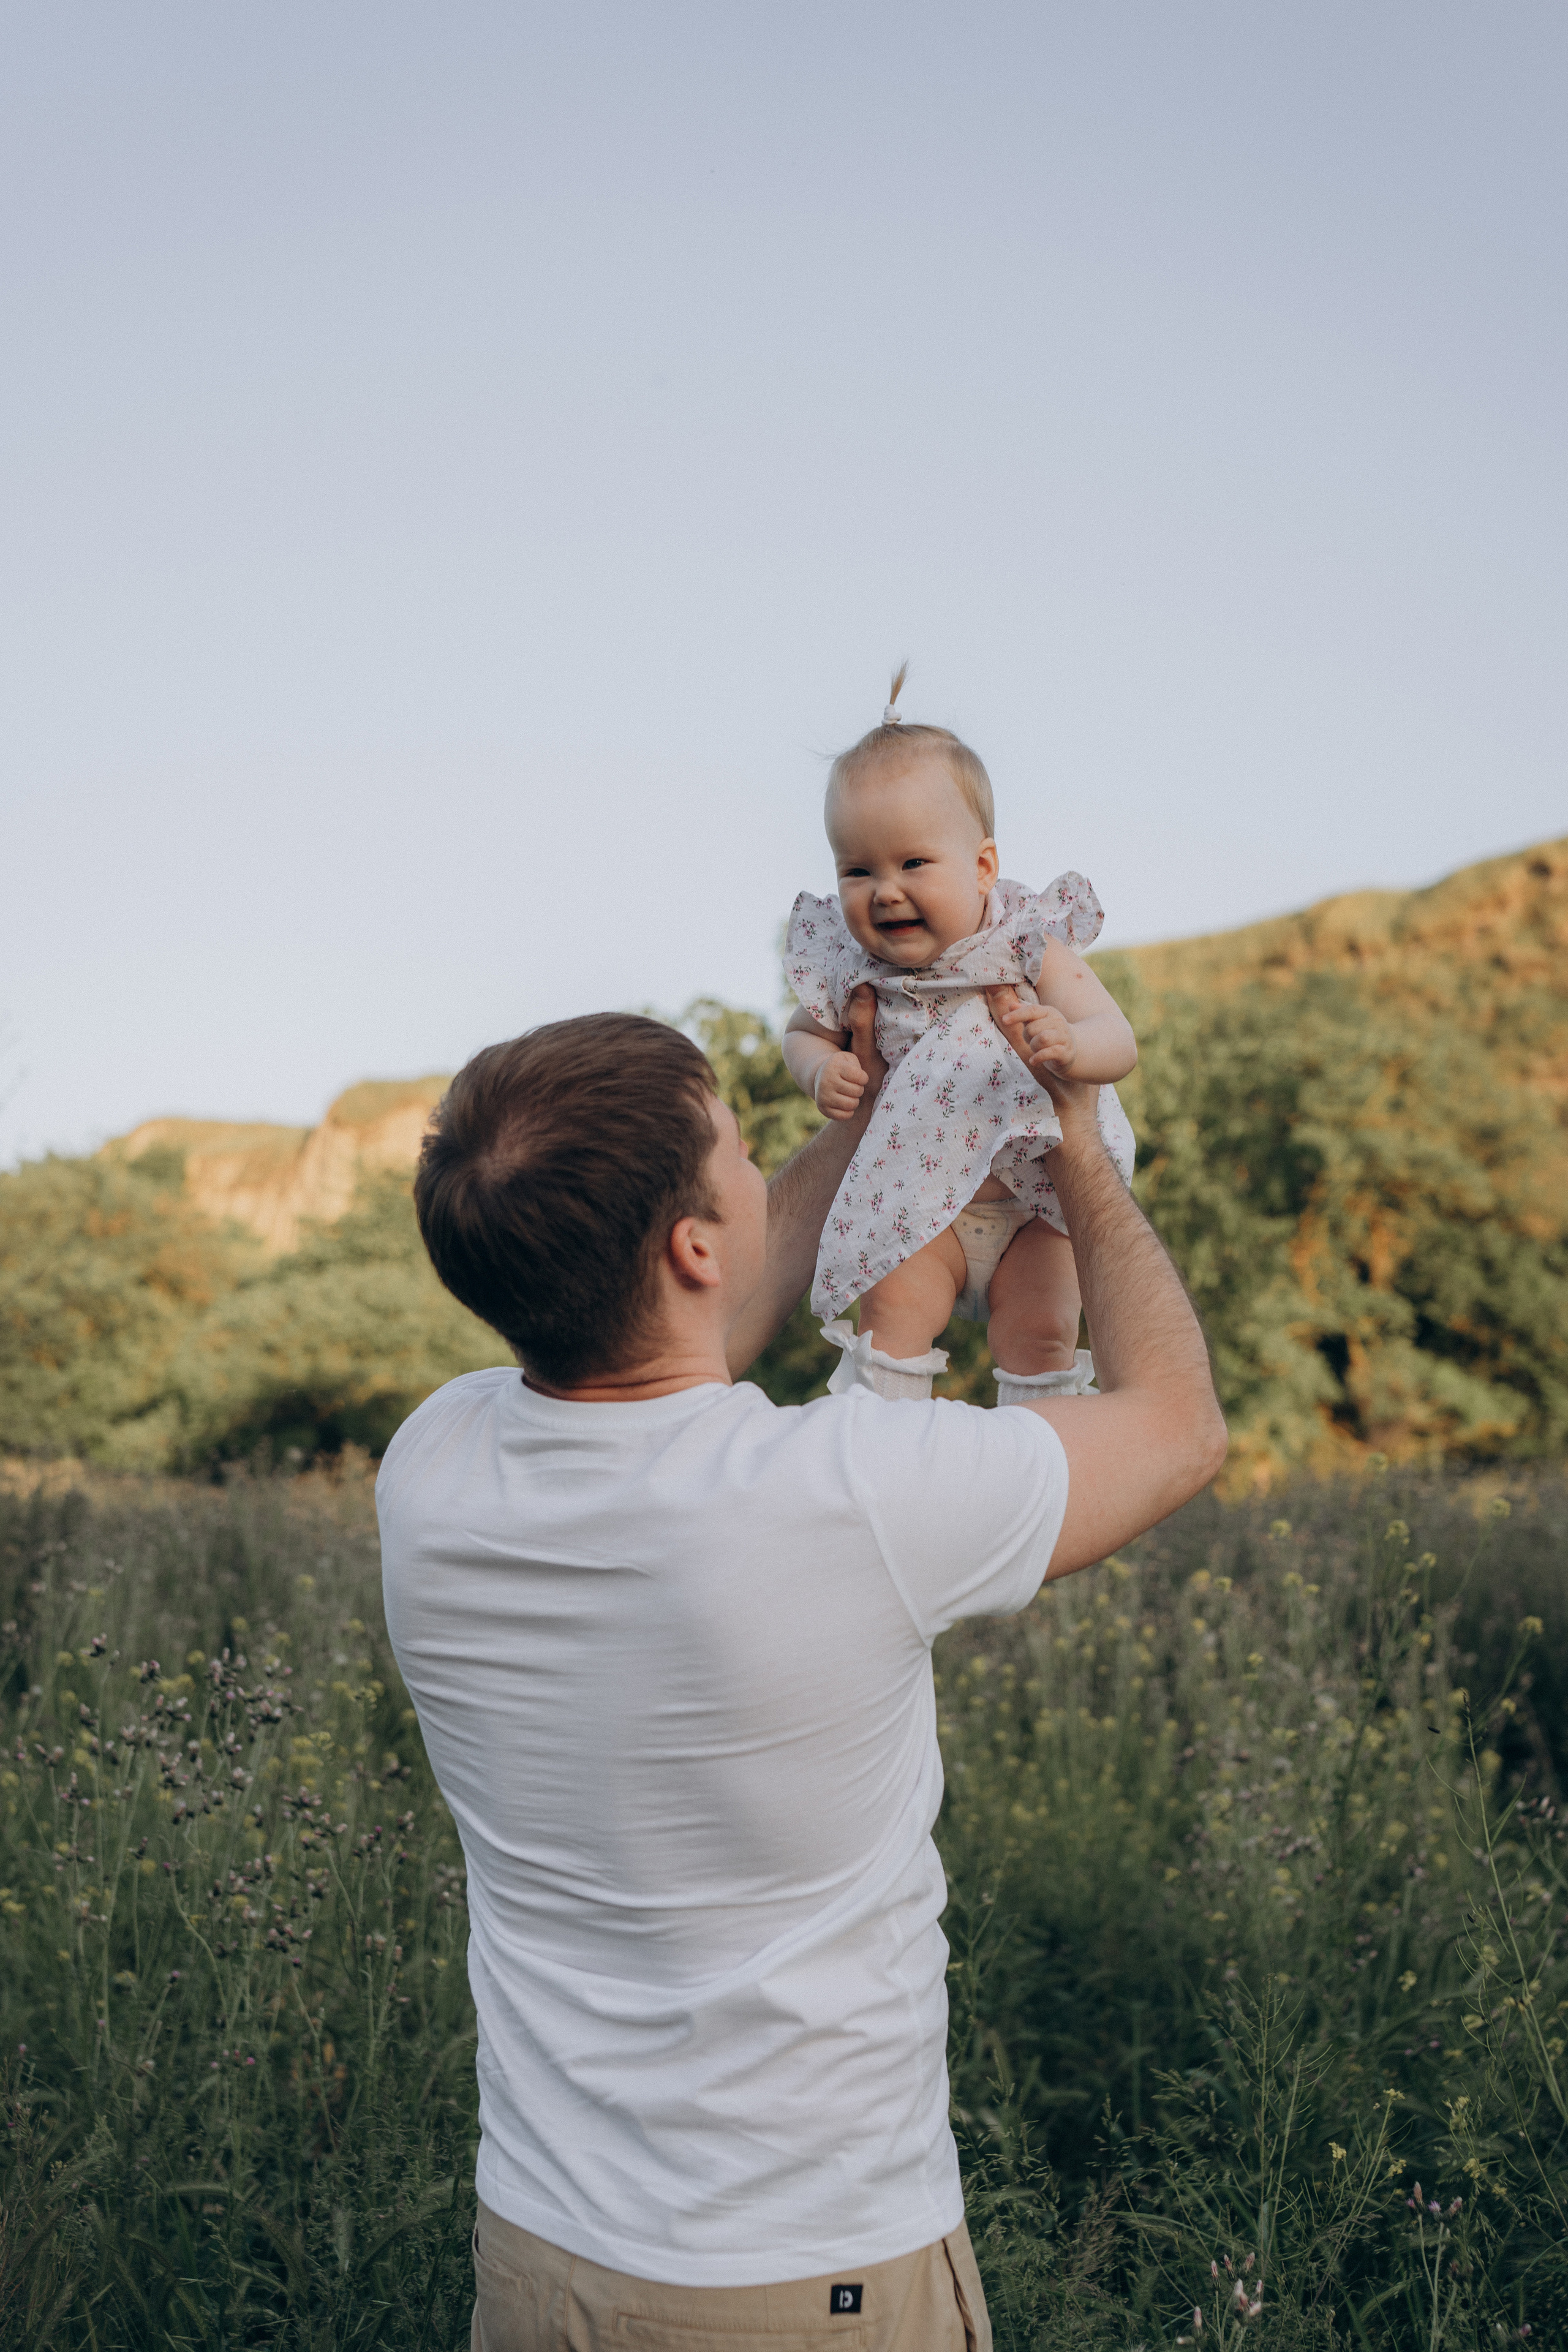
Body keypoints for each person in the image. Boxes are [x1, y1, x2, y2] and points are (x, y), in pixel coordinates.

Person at [378, 981, 1226, 2352]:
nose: (755, 1155)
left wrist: (882, 1100)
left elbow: (689, 1327)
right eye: (732, 1139)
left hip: (541, 2257)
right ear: (694, 1242)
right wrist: (1073, 1134)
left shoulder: (434, 1462)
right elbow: (1176, 1430)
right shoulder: (843, 1495)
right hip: (808, 2278)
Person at [783, 664, 1138, 1408]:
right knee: (889, 1323)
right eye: (857, 870)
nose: (885, 890)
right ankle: (886, 1460)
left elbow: (1116, 1037)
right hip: (916, 1201)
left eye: (913, 863)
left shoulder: (1025, 945)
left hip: (1033, 1206)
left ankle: (1039, 1467)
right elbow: (801, 1032)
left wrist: (1071, 1047)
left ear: (982, 868)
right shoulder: (851, 965)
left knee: (1042, 1337)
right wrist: (819, 1070)